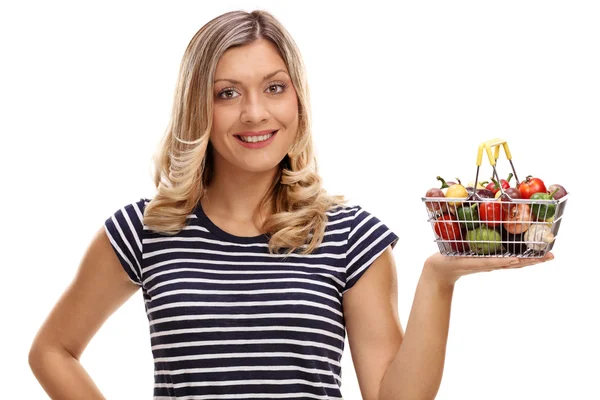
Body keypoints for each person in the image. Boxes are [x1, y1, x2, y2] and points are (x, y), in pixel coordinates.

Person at [28, 9, 554, 400]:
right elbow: (52, 351)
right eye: (227, 93)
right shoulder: (143, 230)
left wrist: (439, 278)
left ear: (297, 99)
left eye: (274, 88)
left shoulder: (350, 235)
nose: (255, 113)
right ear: (198, 107)